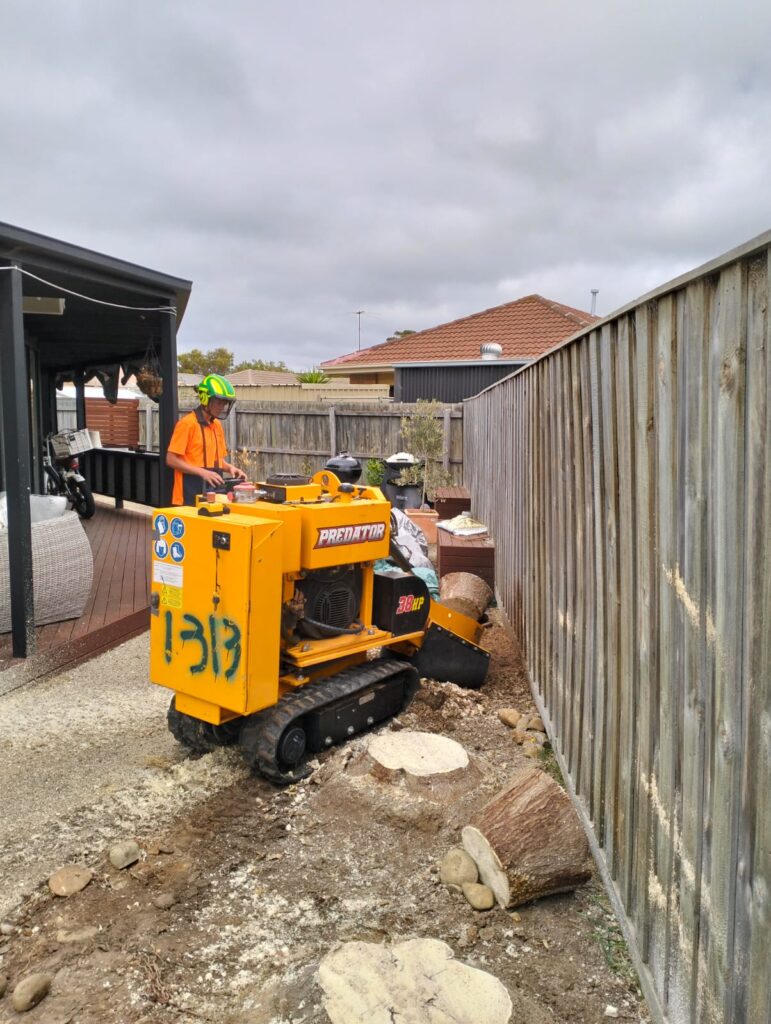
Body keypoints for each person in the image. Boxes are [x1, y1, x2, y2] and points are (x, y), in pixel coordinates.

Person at [166, 373, 247, 505]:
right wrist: (202, 472)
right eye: (219, 402)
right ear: (205, 398)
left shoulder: (217, 426)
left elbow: (216, 460)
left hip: (212, 493)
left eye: (225, 403)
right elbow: (171, 459)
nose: (222, 407)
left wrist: (231, 468)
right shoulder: (187, 424)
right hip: (188, 495)